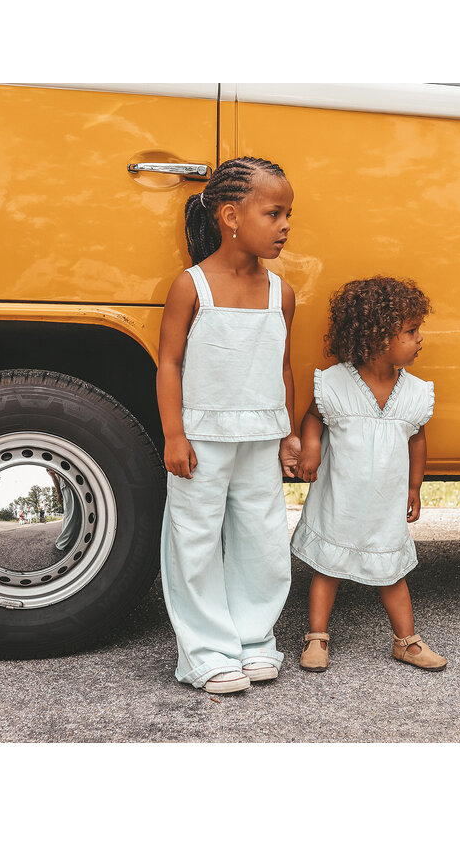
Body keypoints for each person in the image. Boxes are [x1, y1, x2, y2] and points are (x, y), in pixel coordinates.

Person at [157, 156, 301, 695]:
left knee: (261, 541)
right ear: (231, 216)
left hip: (260, 439)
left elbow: (281, 365)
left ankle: (253, 639)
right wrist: (174, 433)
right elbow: (169, 363)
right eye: (274, 213)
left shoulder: (280, 293)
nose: (285, 225)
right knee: (194, 540)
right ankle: (205, 650)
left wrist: (287, 434)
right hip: (201, 440)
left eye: (288, 215)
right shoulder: (192, 286)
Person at [291, 276, 448, 672]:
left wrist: (414, 486)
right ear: (379, 338)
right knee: (328, 569)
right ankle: (317, 637)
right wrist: (310, 446)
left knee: (391, 572)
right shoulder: (337, 383)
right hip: (340, 499)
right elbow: (314, 418)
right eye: (411, 331)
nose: (419, 339)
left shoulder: (414, 392)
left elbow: (417, 440)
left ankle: (406, 641)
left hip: (383, 503)